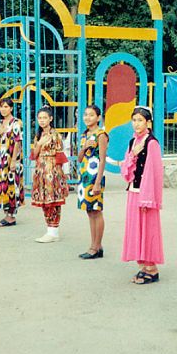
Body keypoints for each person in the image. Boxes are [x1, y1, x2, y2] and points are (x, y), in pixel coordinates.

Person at [120, 106, 164, 284]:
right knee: (136, 229)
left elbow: (154, 172)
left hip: (146, 195)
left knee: (148, 229)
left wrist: (148, 197)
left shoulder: (152, 143)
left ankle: (152, 268)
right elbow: (126, 170)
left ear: (148, 122)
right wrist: (132, 155)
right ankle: (144, 265)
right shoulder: (133, 142)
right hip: (133, 191)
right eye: (134, 120)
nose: (136, 124)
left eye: (140, 120)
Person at [30, 105, 69, 242]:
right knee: (44, 201)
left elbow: (60, 156)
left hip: (51, 170)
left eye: (44, 118)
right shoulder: (38, 135)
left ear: (50, 119)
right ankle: (50, 229)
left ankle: (53, 231)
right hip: (41, 169)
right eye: (40, 118)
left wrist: (58, 176)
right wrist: (39, 144)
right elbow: (34, 154)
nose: (42, 120)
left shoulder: (55, 135)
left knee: (52, 201)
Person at [77, 105, 109, 260]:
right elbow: (79, 158)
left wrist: (98, 182)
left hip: (95, 176)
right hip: (85, 177)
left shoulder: (101, 135)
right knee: (89, 211)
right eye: (85, 115)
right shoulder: (84, 134)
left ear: (98, 117)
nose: (87, 118)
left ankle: (96, 247)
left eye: (91, 115)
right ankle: (95, 245)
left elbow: (103, 159)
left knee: (96, 210)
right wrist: (83, 148)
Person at [0, 98, 25, 227]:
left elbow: (18, 141)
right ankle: (7, 213)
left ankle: (11, 216)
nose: (3, 109)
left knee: (12, 185)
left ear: (11, 108)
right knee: (2, 184)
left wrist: (13, 160)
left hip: (11, 157)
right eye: (1, 107)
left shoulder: (16, 123)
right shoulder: (0, 122)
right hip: (0, 157)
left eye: (6, 107)